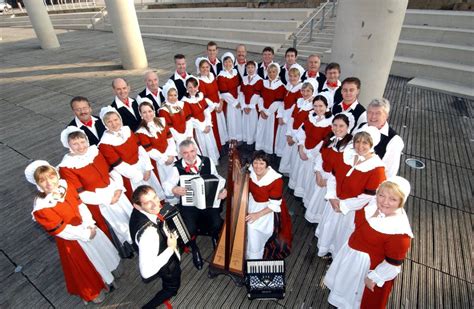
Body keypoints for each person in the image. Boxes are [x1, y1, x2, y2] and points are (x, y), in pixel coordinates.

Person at [25, 161, 120, 304]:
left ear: (56, 175)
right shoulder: (41, 207)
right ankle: (94, 290)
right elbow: (61, 230)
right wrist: (85, 234)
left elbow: (80, 204)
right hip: (72, 239)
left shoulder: (65, 185)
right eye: (43, 180)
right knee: (84, 266)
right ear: (38, 184)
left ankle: (109, 275)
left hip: (87, 227)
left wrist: (89, 223)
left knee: (101, 252)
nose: (49, 183)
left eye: (51, 177)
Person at [324, 176, 413, 309]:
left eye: (393, 199)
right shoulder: (372, 204)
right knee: (344, 287)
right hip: (352, 258)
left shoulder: (400, 232)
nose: (385, 202)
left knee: (356, 298)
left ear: (401, 202)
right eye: (382, 195)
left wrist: (374, 278)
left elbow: (393, 265)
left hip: (365, 269)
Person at [58, 127, 134, 257]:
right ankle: (130, 248)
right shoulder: (67, 167)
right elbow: (81, 194)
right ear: (68, 146)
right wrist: (108, 199)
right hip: (100, 201)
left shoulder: (95, 152)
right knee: (118, 228)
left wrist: (118, 188)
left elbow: (111, 171)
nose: (80, 147)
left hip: (115, 191)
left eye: (82, 142)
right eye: (75, 144)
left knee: (130, 216)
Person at [316, 126, 386, 257]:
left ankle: (336, 256)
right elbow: (333, 176)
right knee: (329, 227)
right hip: (334, 202)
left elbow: (367, 197)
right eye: (357, 141)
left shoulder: (377, 168)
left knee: (342, 234)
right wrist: (331, 196)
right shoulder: (347, 155)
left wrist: (343, 205)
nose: (360, 146)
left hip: (351, 211)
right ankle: (325, 249)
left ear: (372, 144)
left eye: (365, 142)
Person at [162, 140, 227, 270]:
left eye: (192, 151)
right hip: (189, 204)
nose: (190, 156)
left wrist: (222, 190)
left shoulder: (207, 161)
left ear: (196, 150)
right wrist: (174, 189)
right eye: (185, 153)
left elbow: (216, 176)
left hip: (208, 202)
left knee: (217, 223)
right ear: (180, 154)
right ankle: (194, 247)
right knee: (189, 229)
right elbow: (166, 185)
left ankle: (215, 237)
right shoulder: (176, 168)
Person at [130, 185, 181, 309]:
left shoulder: (137, 214)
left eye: (155, 197)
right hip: (167, 265)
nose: (155, 204)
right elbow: (146, 272)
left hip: (157, 249)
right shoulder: (149, 234)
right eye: (148, 203)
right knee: (171, 287)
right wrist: (170, 248)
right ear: (137, 206)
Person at [98, 106, 165, 201]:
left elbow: (140, 149)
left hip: (142, 166)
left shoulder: (127, 130)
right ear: (105, 124)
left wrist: (147, 168)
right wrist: (137, 175)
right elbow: (118, 165)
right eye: (109, 121)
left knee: (154, 192)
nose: (114, 123)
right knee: (143, 198)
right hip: (130, 175)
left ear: (120, 119)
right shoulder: (105, 143)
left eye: (116, 119)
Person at [304, 113, 353, 224]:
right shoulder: (329, 139)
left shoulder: (350, 147)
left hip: (333, 182)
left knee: (324, 211)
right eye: (335, 125)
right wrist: (318, 173)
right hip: (321, 176)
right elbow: (320, 157)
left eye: (341, 126)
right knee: (315, 202)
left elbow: (344, 171)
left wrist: (328, 181)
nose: (337, 128)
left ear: (348, 127)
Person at [246, 151, 292, 259]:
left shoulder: (276, 180)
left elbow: (274, 205)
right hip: (253, 202)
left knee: (252, 226)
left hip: (268, 207)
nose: (258, 166)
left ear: (267, 165)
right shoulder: (250, 172)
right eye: (255, 163)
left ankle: (255, 255)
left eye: (262, 163)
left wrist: (257, 214)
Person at [293, 95, 333, 205]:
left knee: (309, 178)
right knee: (301, 173)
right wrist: (301, 147)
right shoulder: (311, 116)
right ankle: (298, 193)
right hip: (303, 151)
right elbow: (302, 131)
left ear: (327, 106)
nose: (318, 109)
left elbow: (324, 144)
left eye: (321, 106)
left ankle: (305, 199)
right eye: (315, 106)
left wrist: (309, 155)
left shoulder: (330, 123)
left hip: (314, 156)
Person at [135, 99, 177, 185]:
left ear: (153, 111)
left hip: (170, 156)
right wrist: (165, 159)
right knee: (167, 182)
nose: (148, 114)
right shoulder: (141, 131)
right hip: (159, 162)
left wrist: (171, 154)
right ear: (141, 114)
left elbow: (170, 139)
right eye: (144, 112)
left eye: (149, 111)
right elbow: (149, 150)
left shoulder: (162, 121)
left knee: (177, 176)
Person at [359, 98, 404, 178]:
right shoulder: (362, 126)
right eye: (370, 112)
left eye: (378, 113)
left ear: (386, 116)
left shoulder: (394, 141)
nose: (373, 116)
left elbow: (389, 172)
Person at [287, 79, 318, 191]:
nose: (305, 93)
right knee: (291, 159)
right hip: (293, 132)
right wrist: (289, 133)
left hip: (300, 138)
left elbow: (305, 125)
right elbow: (292, 117)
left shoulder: (313, 106)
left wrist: (295, 138)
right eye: (303, 90)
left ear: (313, 91)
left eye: (308, 91)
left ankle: (296, 185)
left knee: (297, 162)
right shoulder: (299, 101)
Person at [183, 76, 220, 164]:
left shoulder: (200, 96)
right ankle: (207, 163)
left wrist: (208, 124)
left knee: (211, 143)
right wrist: (202, 128)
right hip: (198, 129)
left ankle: (214, 160)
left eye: (194, 87)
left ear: (197, 87)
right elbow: (190, 119)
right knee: (203, 146)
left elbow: (206, 111)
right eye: (190, 87)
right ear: (186, 88)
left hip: (206, 125)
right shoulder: (185, 101)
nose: (192, 89)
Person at [196, 57, 228, 150]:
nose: (205, 69)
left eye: (207, 67)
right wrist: (214, 107)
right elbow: (204, 97)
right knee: (215, 129)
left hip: (218, 105)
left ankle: (223, 145)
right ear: (199, 69)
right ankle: (217, 148)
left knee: (221, 127)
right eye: (203, 67)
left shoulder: (212, 76)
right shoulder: (200, 81)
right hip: (211, 108)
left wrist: (221, 102)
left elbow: (217, 90)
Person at [278, 66, 304, 175]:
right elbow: (283, 102)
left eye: (295, 76)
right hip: (285, 115)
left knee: (289, 144)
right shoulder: (288, 86)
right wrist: (280, 115)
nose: (293, 78)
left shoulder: (300, 88)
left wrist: (285, 118)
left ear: (299, 76)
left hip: (290, 119)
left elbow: (295, 106)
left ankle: (289, 168)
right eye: (291, 76)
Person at [255, 63, 285, 155]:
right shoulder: (264, 83)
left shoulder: (281, 85)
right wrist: (262, 109)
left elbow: (278, 102)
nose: (272, 74)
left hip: (272, 114)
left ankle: (268, 151)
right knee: (261, 130)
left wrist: (267, 112)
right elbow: (260, 97)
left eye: (274, 72)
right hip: (263, 111)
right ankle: (259, 148)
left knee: (270, 132)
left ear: (277, 72)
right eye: (270, 72)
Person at [158, 80, 196, 151]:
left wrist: (189, 135)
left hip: (188, 136)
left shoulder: (182, 104)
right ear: (166, 95)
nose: (173, 97)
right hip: (177, 140)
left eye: (175, 95)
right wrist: (180, 140)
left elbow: (188, 121)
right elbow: (169, 128)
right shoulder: (163, 111)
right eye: (170, 95)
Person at [217, 52, 242, 142]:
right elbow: (224, 93)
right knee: (231, 121)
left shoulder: (235, 72)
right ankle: (232, 139)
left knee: (238, 120)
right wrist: (235, 102)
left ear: (233, 62)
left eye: (230, 61)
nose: (228, 64)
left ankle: (239, 138)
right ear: (223, 63)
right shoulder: (221, 76)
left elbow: (239, 86)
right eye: (226, 62)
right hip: (229, 103)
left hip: (237, 100)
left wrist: (239, 100)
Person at [239, 60, 263, 147]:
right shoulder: (244, 79)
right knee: (245, 124)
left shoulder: (259, 80)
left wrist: (250, 106)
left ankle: (252, 142)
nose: (250, 69)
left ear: (255, 68)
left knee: (253, 125)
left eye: (252, 67)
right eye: (248, 67)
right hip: (245, 107)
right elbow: (241, 93)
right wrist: (244, 106)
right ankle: (246, 141)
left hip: (253, 108)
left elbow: (257, 95)